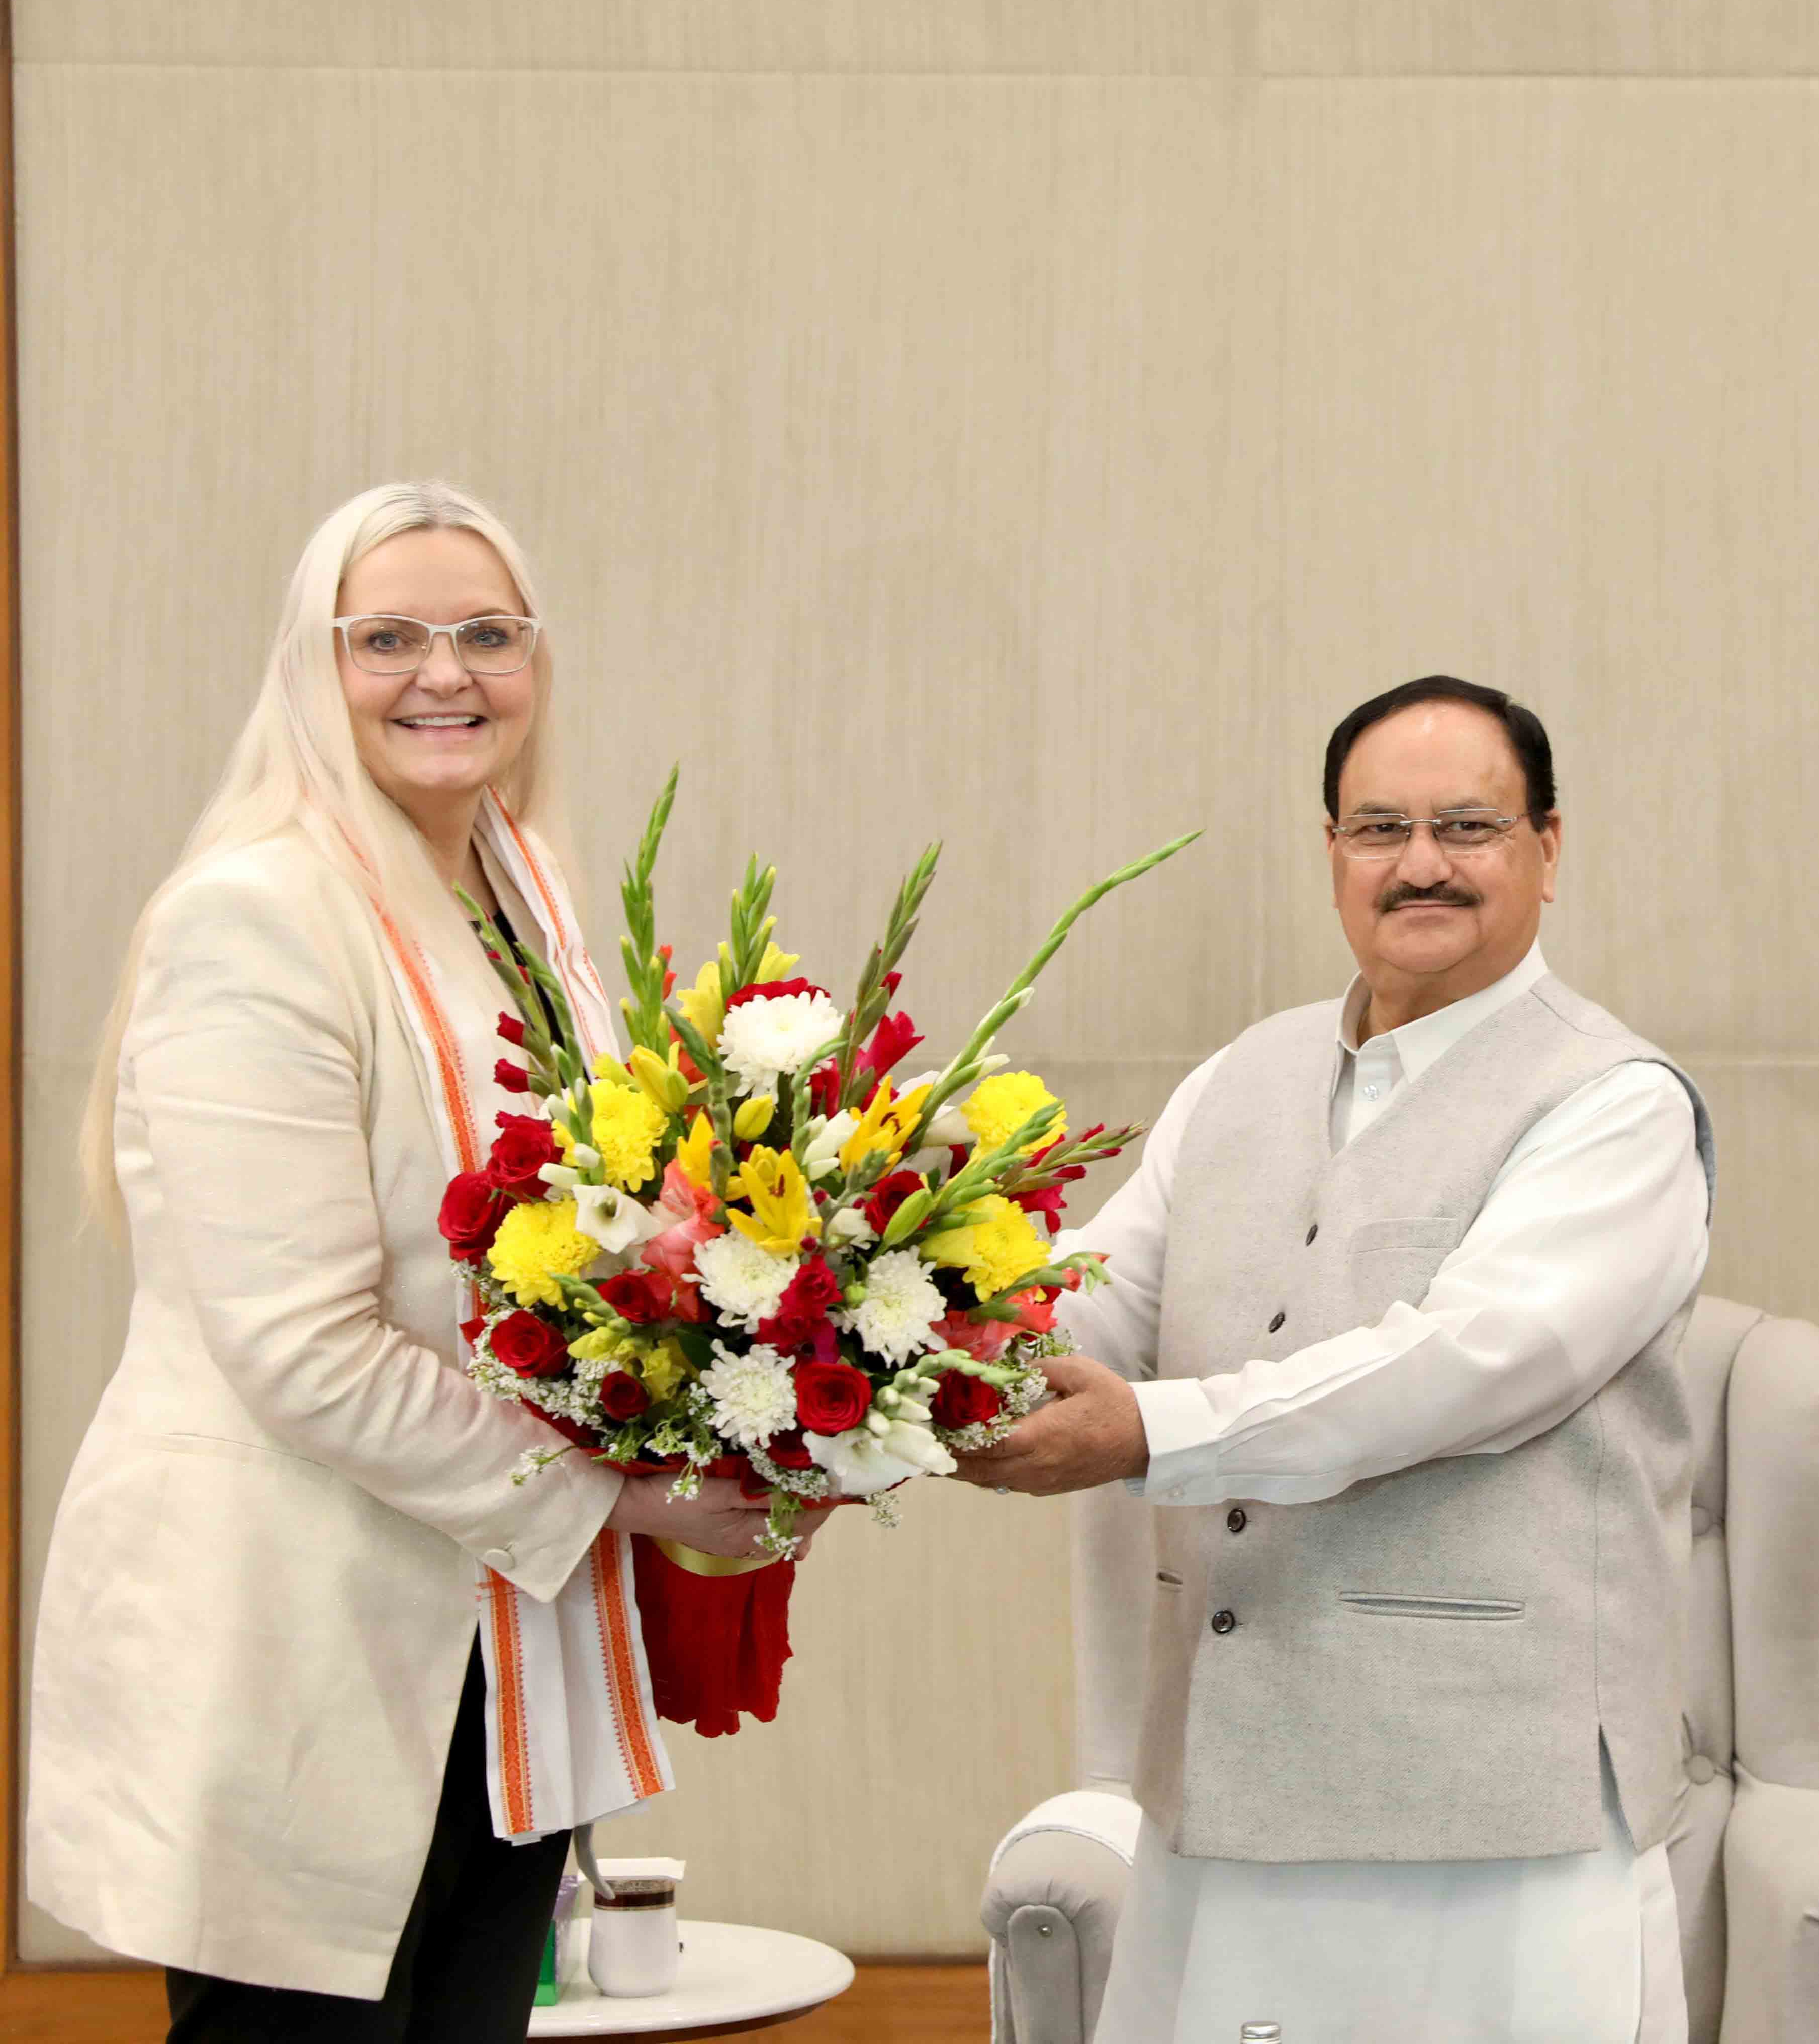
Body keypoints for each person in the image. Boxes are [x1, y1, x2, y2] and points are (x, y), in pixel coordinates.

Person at [28, 482, 827, 2042]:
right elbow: (300, 1346)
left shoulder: (523, 887)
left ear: (537, 663)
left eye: (484, 635)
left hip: (495, 1639)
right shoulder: (260, 913)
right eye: (385, 638)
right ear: (310, 671)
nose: (441, 675)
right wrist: (614, 1488)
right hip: (304, 1625)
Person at [958, 675, 1711, 2044]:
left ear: (1549, 849)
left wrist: (1147, 1435)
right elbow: (1093, 1302)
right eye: (1378, 828)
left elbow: (1459, 1369)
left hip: (1493, 1807)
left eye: (1467, 827)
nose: (1419, 863)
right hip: (1228, 1774)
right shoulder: (1239, 1074)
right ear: (1330, 855)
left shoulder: (1616, 1103)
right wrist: (885, 1334)